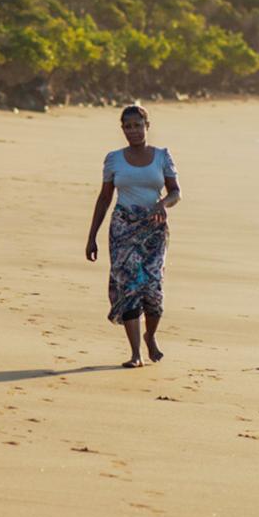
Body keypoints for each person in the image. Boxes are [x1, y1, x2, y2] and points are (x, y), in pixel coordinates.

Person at [85, 104, 181, 368]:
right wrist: (91, 236)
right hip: (122, 228)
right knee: (129, 287)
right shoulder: (114, 159)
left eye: (138, 125)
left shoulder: (162, 156)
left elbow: (175, 192)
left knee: (152, 287)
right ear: (123, 129)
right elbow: (104, 198)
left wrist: (163, 203)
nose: (133, 131)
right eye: (128, 126)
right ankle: (135, 353)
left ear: (146, 126)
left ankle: (150, 335)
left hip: (154, 230)